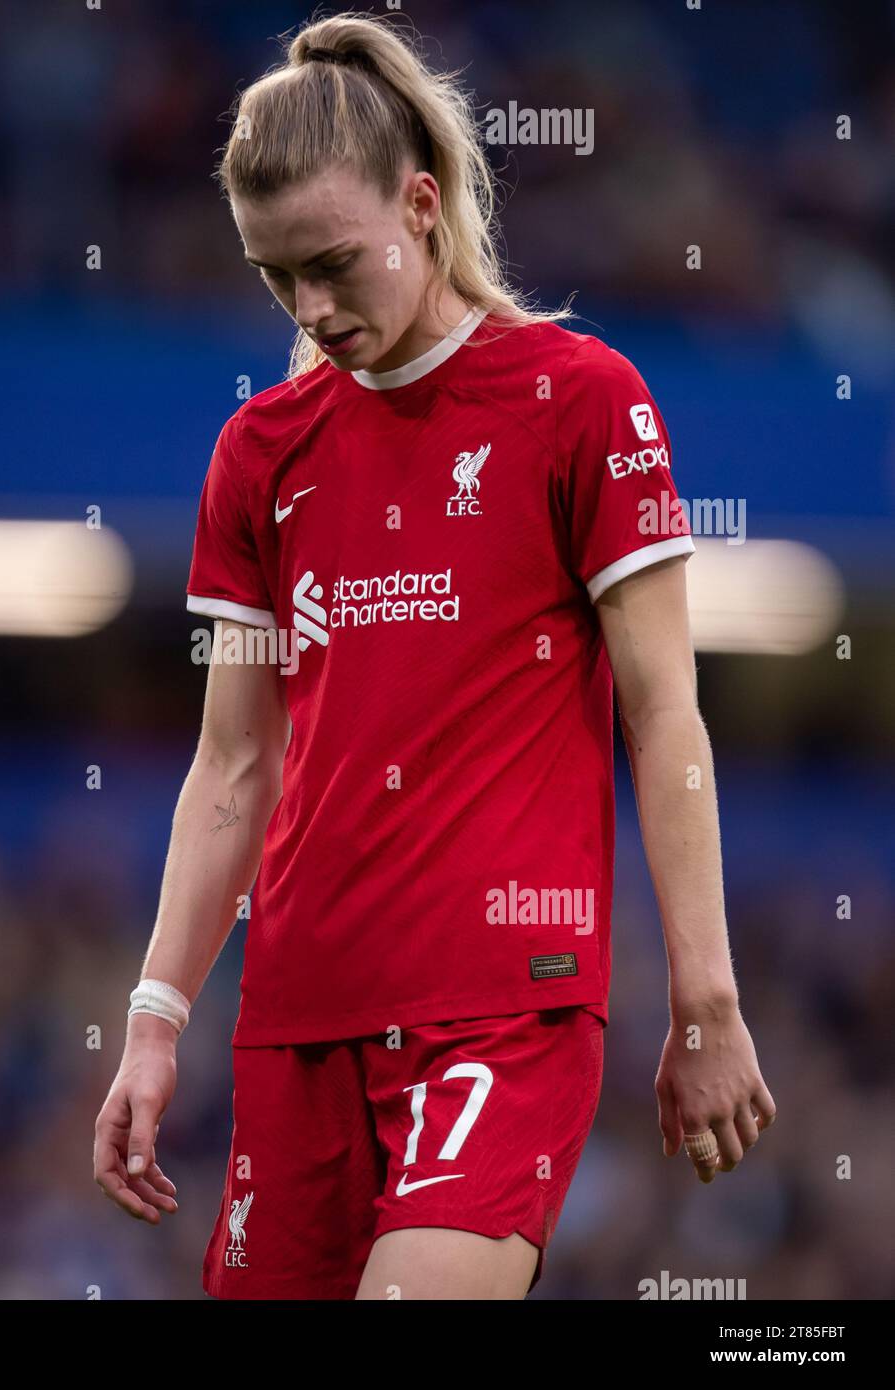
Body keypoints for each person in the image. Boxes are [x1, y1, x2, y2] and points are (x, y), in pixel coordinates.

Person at [93, 10, 776, 1300]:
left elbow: (666, 720)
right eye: (275, 275)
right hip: (300, 1013)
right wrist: (154, 1018)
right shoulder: (261, 453)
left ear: (422, 204)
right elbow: (234, 767)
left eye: (337, 262)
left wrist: (709, 1001)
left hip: (504, 1007)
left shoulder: (580, 400)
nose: (311, 306)